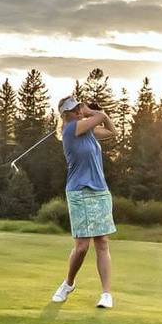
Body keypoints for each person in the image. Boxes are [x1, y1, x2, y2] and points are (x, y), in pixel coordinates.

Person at [50, 96, 117, 309]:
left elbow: (111, 131)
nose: (78, 110)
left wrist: (97, 113)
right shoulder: (71, 130)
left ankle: (106, 294)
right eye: (75, 109)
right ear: (66, 115)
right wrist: (93, 112)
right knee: (81, 247)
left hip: (100, 191)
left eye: (78, 107)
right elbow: (100, 117)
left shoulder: (87, 131)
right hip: (79, 191)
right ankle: (68, 283)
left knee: (102, 242)